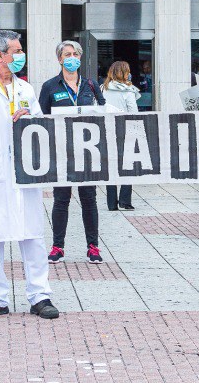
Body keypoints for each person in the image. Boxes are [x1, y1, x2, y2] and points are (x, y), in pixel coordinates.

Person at [0, 30, 59, 320]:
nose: (20, 56)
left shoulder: (26, 89)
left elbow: (41, 127)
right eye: (16, 51)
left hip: (24, 171)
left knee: (32, 233)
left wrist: (30, 119)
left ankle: (40, 296)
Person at [38, 40, 106, 264]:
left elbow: (103, 112)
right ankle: (58, 246)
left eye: (75, 54)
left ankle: (93, 247)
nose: (72, 57)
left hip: (87, 153)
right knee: (61, 200)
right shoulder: (50, 87)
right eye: (67, 54)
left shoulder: (91, 85)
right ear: (59, 59)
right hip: (61, 152)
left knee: (89, 199)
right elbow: (40, 119)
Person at [102, 60, 140, 212]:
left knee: (110, 167)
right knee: (127, 166)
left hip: (107, 131)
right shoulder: (128, 91)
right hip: (125, 132)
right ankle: (125, 200)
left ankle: (112, 203)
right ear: (124, 73)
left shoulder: (102, 88)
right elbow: (134, 113)